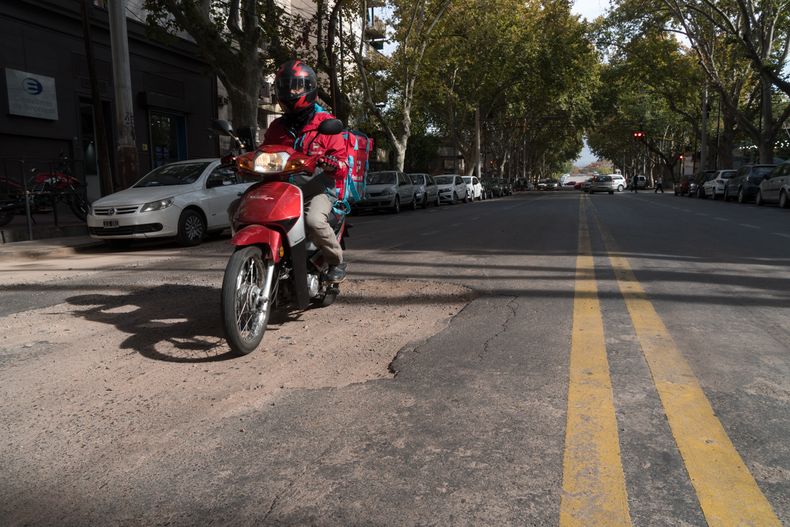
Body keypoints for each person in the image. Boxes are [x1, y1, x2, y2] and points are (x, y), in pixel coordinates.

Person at [261, 59, 349, 283]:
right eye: (285, 86)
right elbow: (264, 152)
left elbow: (342, 164)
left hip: (315, 189)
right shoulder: (276, 127)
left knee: (314, 221)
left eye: (296, 86)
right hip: (281, 189)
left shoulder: (326, 123)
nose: (290, 91)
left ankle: (336, 260)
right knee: (238, 207)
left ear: (309, 87)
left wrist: (332, 164)